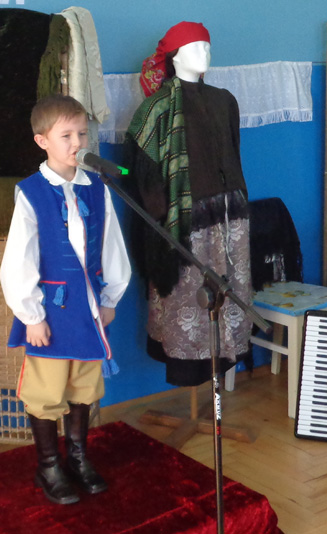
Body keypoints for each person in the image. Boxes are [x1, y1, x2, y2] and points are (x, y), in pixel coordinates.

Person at [0, 94, 131, 505]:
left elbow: (111, 245)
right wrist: (31, 315)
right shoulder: (31, 193)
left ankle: (77, 458)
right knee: (46, 391)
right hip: (51, 314)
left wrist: (110, 297)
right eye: (67, 135)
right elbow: (18, 259)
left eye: (82, 134)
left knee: (83, 387)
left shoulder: (97, 188)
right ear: (43, 141)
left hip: (89, 309)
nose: (77, 143)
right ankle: (48, 465)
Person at [127, 22, 252, 387]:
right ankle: (188, 369)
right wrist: (164, 227)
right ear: (174, 56)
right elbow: (144, 176)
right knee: (189, 299)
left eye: (207, 46)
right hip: (183, 225)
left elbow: (234, 156)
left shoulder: (224, 101)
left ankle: (225, 359)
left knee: (230, 294)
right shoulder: (155, 109)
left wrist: (237, 209)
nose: (205, 54)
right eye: (195, 47)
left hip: (230, 219)